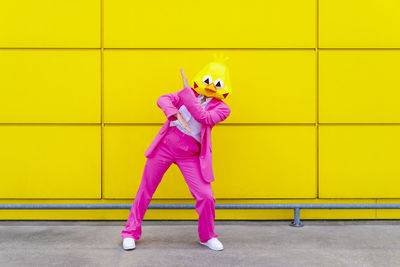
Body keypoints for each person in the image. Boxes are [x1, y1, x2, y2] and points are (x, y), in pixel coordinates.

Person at [121, 56, 232, 251]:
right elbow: (162, 99)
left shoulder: (222, 108)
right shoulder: (185, 93)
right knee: (145, 190)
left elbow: (203, 117)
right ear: (201, 78)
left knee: (206, 196)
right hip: (165, 146)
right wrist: (172, 112)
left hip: (190, 155)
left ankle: (207, 236)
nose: (211, 86)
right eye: (208, 81)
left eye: (217, 84)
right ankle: (130, 232)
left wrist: (187, 95)